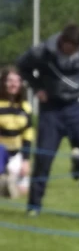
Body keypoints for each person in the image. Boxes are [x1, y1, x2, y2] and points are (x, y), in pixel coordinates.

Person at [15, 23, 79, 216]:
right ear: (62, 41)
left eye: (74, 48)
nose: (70, 51)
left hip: (77, 108)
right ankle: (34, 206)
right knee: (43, 158)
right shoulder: (43, 51)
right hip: (51, 110)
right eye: (67, 47)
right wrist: (37, 87)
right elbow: (21, 66)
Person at [0, 66, 34, 198]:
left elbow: (28, 136)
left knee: (21, 191)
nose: (14, 84)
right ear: (3, 82)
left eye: (17, 81)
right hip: (1, 152)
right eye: (10, 80)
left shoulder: (25, 107)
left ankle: (8, 178)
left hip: (17, 154)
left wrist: (26, 161)